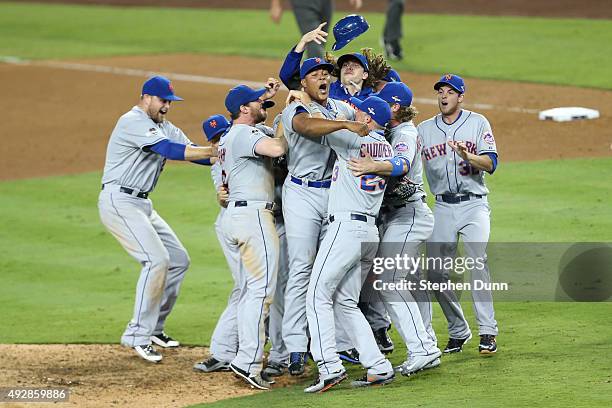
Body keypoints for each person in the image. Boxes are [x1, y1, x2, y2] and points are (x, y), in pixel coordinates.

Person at [98, 75, 216, 363]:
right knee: (156, 260)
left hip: (142, 203)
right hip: (119, 201)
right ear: (147, 97)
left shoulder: (164, 126)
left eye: (170, 103)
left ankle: (154, 328)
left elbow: (195, 154)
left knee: (178, 260)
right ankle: (137, 335)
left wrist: (222, 154)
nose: (167, 107)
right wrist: (214, 151)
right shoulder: (132, 121)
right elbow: (169, 150)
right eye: (163, 101)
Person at [279, 57, 370, 376]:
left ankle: (342, 344)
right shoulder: (295, 109)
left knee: (334, 270)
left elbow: (364, 118)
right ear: (303, 83)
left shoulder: (338, 107)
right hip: (302, 194)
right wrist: (347, 124)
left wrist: (361, 110)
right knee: (302, 267)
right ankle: (294, 347)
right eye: (314, 75)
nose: (322, 78)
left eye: (325, 74)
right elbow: (307, 127)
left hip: (332, 195)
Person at [300, 96, 396, 392]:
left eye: (358, 112)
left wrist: (305, 102)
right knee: (344, 301)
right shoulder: (387, 148)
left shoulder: (352, 139)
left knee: (316, 295)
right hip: (369, 234)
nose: (353, 114)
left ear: (366, 120)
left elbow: (310, 128)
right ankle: (378, 366)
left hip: (346, 229)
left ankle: (329, 366)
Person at [347, 82, 442, 375]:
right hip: (397, 217)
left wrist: (373, 166)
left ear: (395, 108)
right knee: (394, 282)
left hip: (409, 215)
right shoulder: (392, 130)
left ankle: (423, 349)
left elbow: (401, 164)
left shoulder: (405, 132)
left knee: (390, 281)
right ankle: (425, 346)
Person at [417, 74, 499, 355]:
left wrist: (468, 157)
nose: (443, 96)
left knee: (478, 262)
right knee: (436, 274)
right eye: (440, 91)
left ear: (460, 97)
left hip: (474, 205)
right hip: (442, 206)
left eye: (450, 92)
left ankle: (488, 332)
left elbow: (491, 163)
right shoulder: (423, 130)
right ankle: (458, 330)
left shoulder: (478, 123)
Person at [218, 81, 288, 390]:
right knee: (261, 293)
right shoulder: (245, 133)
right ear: (244, 109)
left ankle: (243, 356)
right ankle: (248, 361)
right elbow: (276, 148)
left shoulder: (230, 136)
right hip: (253, 217)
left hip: (236, 215)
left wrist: (264, 95)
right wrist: (286, 121)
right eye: (258, 104)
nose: (264, 109)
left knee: (250, 291)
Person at [279, 24, 374, 101]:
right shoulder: (325, 91)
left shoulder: (373, 99)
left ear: (365, 75)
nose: (349, 67)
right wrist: (303, 43)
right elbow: (288, 76)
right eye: (345, 65)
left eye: (355, 65)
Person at [270, 0, 363, 59]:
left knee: (321, 38)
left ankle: (312, 72)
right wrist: (275, 3)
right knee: (315, 39)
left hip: (326, 2)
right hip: (303, 3)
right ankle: (317, 78)